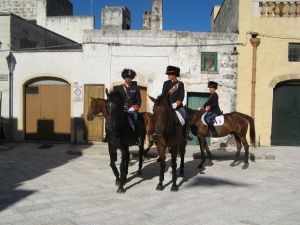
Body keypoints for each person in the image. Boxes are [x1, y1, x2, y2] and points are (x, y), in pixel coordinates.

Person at [114, 69, 142, 144]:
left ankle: (137, 137)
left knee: (135, 118)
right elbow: (115, 100)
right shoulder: (118, 88)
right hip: (121, 109)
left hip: (131, 109)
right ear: (124, 78)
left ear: (132, 78)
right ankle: (110, 136)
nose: (128, 79)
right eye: (126, 77)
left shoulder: (136, 88)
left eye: (130, 77)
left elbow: (139, 101)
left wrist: (134, 107)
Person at [162, 65, 189, 137]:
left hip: (177, 106)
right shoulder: (166, 83)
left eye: (170, 74)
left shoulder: (180, 84)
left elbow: (181, 97)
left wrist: (176, 104)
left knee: (185, 114)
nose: (168, 76)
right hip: (168, 106)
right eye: (168, 74)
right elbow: (163, 95)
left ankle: (185, 131)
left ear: (174, 75)